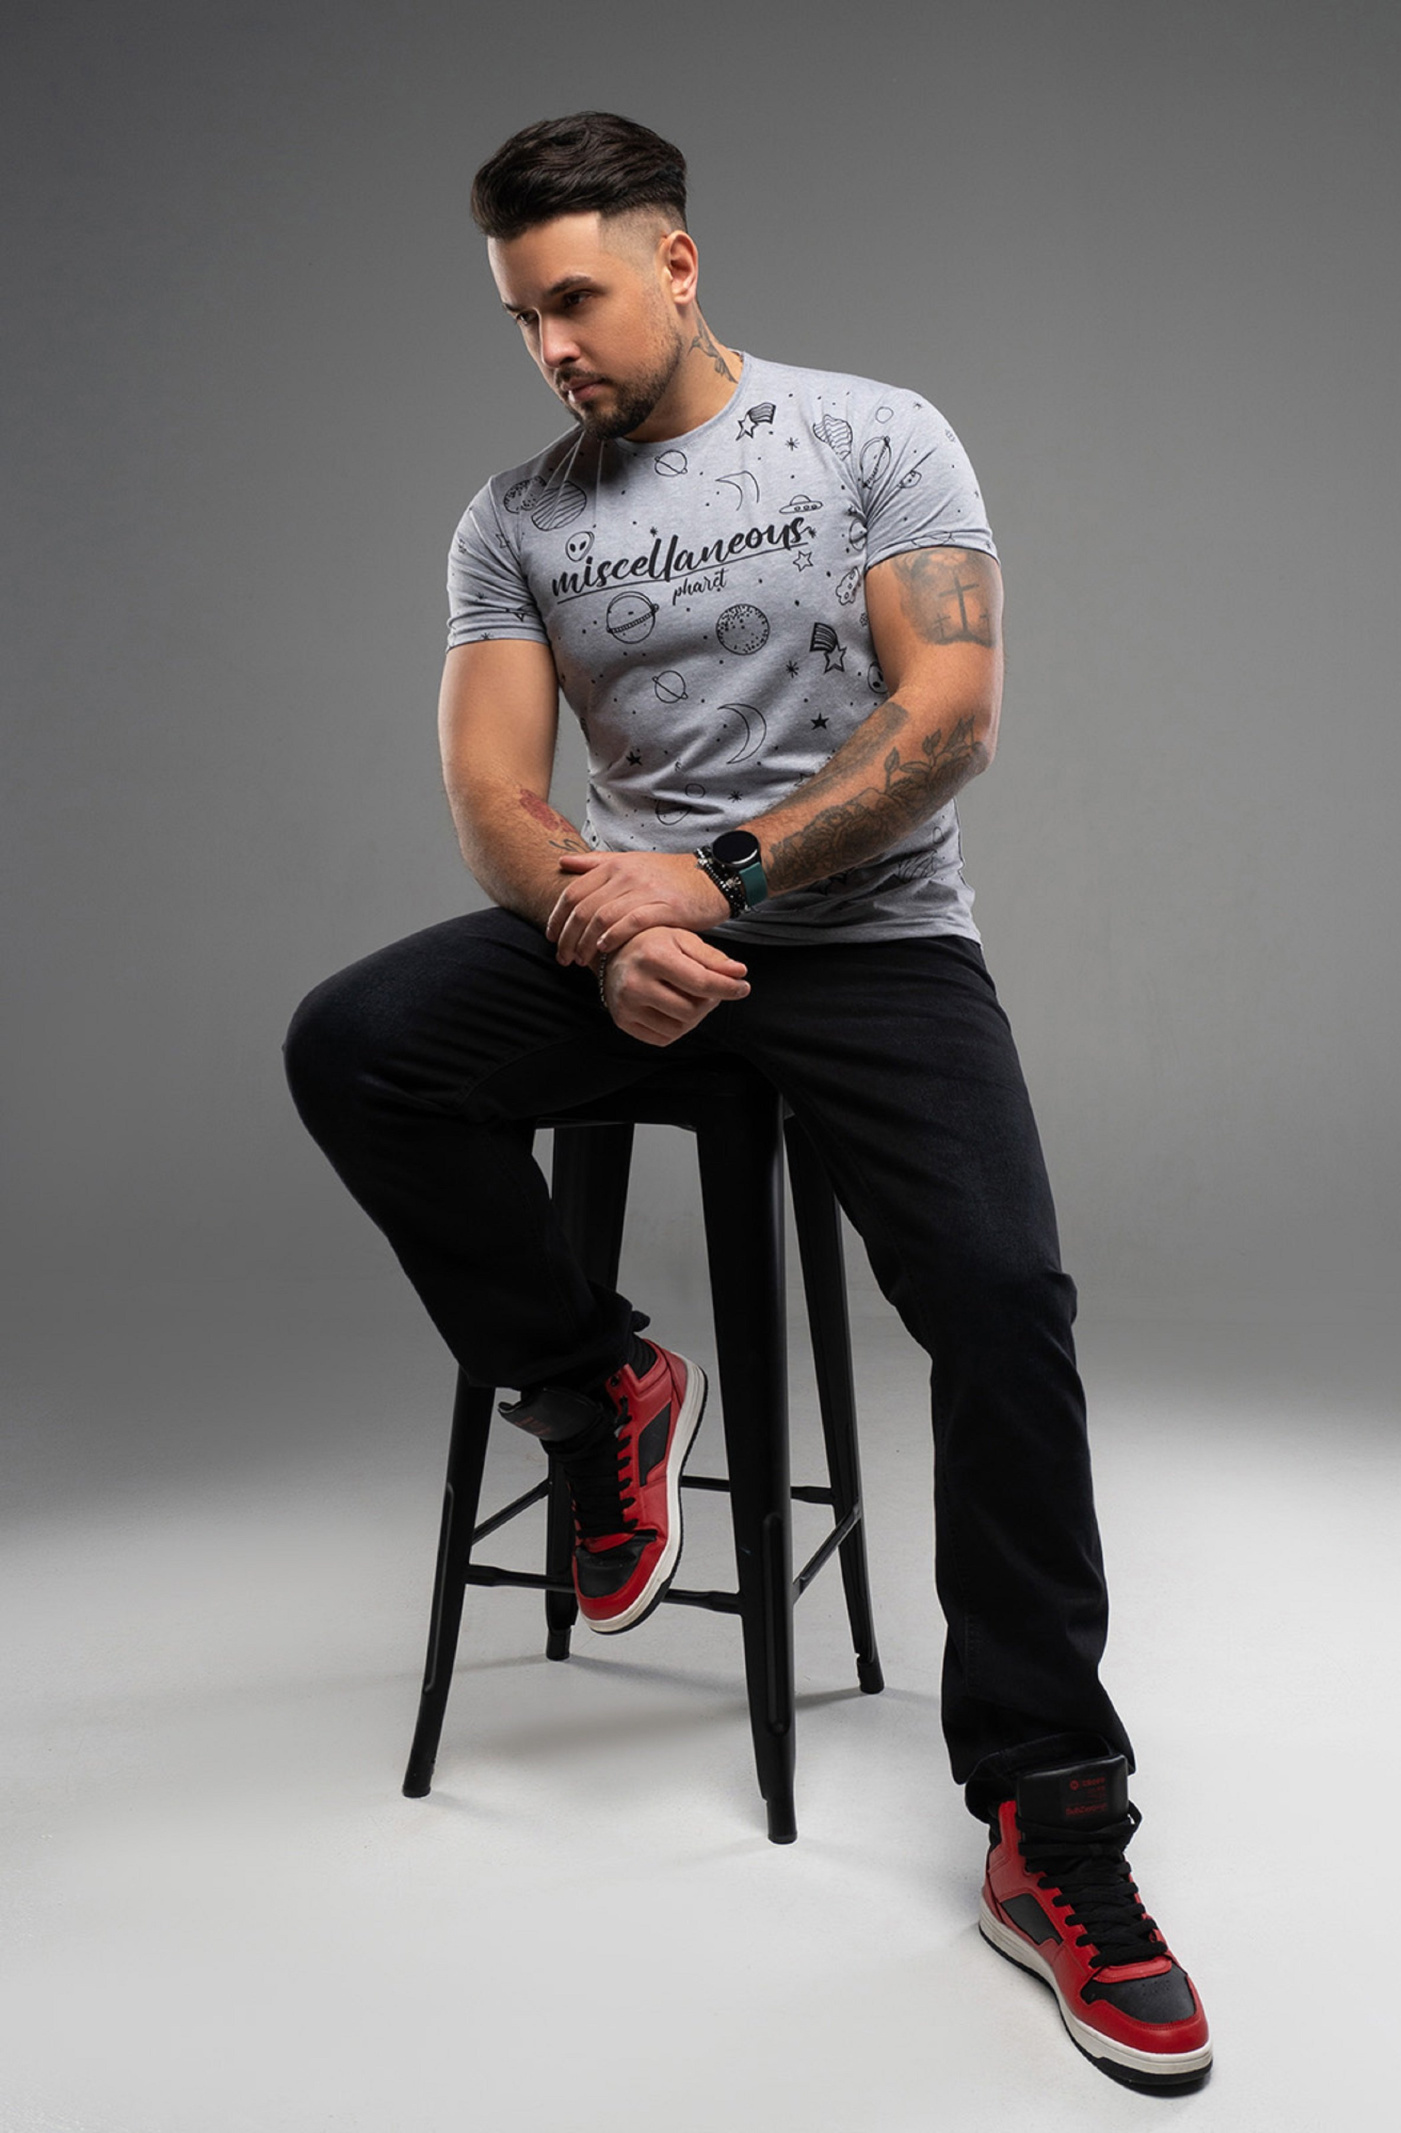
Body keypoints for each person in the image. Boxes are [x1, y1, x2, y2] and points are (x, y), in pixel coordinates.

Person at [284, 110, 1211, 2093]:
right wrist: (597, 916)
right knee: (356, 1044)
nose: (551, 347)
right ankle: (592, 1384)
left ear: (676, 261)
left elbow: (947, 719)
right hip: (633, 944)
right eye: (519, 316)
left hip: (870, 949)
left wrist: (712, 879)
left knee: (1002, 1303)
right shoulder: (513, 519)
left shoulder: (875, 439)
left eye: (574, 298)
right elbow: (491, 796)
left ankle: (1051, 1815)